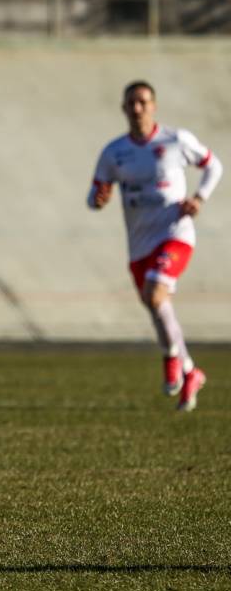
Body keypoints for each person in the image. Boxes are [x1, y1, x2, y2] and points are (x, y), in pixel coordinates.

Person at [88, 80, 222, 412]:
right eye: (132, 103)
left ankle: (172, 361)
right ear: (123, 108)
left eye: (143, 102)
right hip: (138, 245)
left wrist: (199, 198)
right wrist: (99, 198)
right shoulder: (113, 152)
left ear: (154, 106)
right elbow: (94, 196)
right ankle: (191, 372)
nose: (137, 109)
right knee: (157, 306)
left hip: (175, 233)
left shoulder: (175, 140)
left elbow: (213, 165)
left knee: (156, 293)